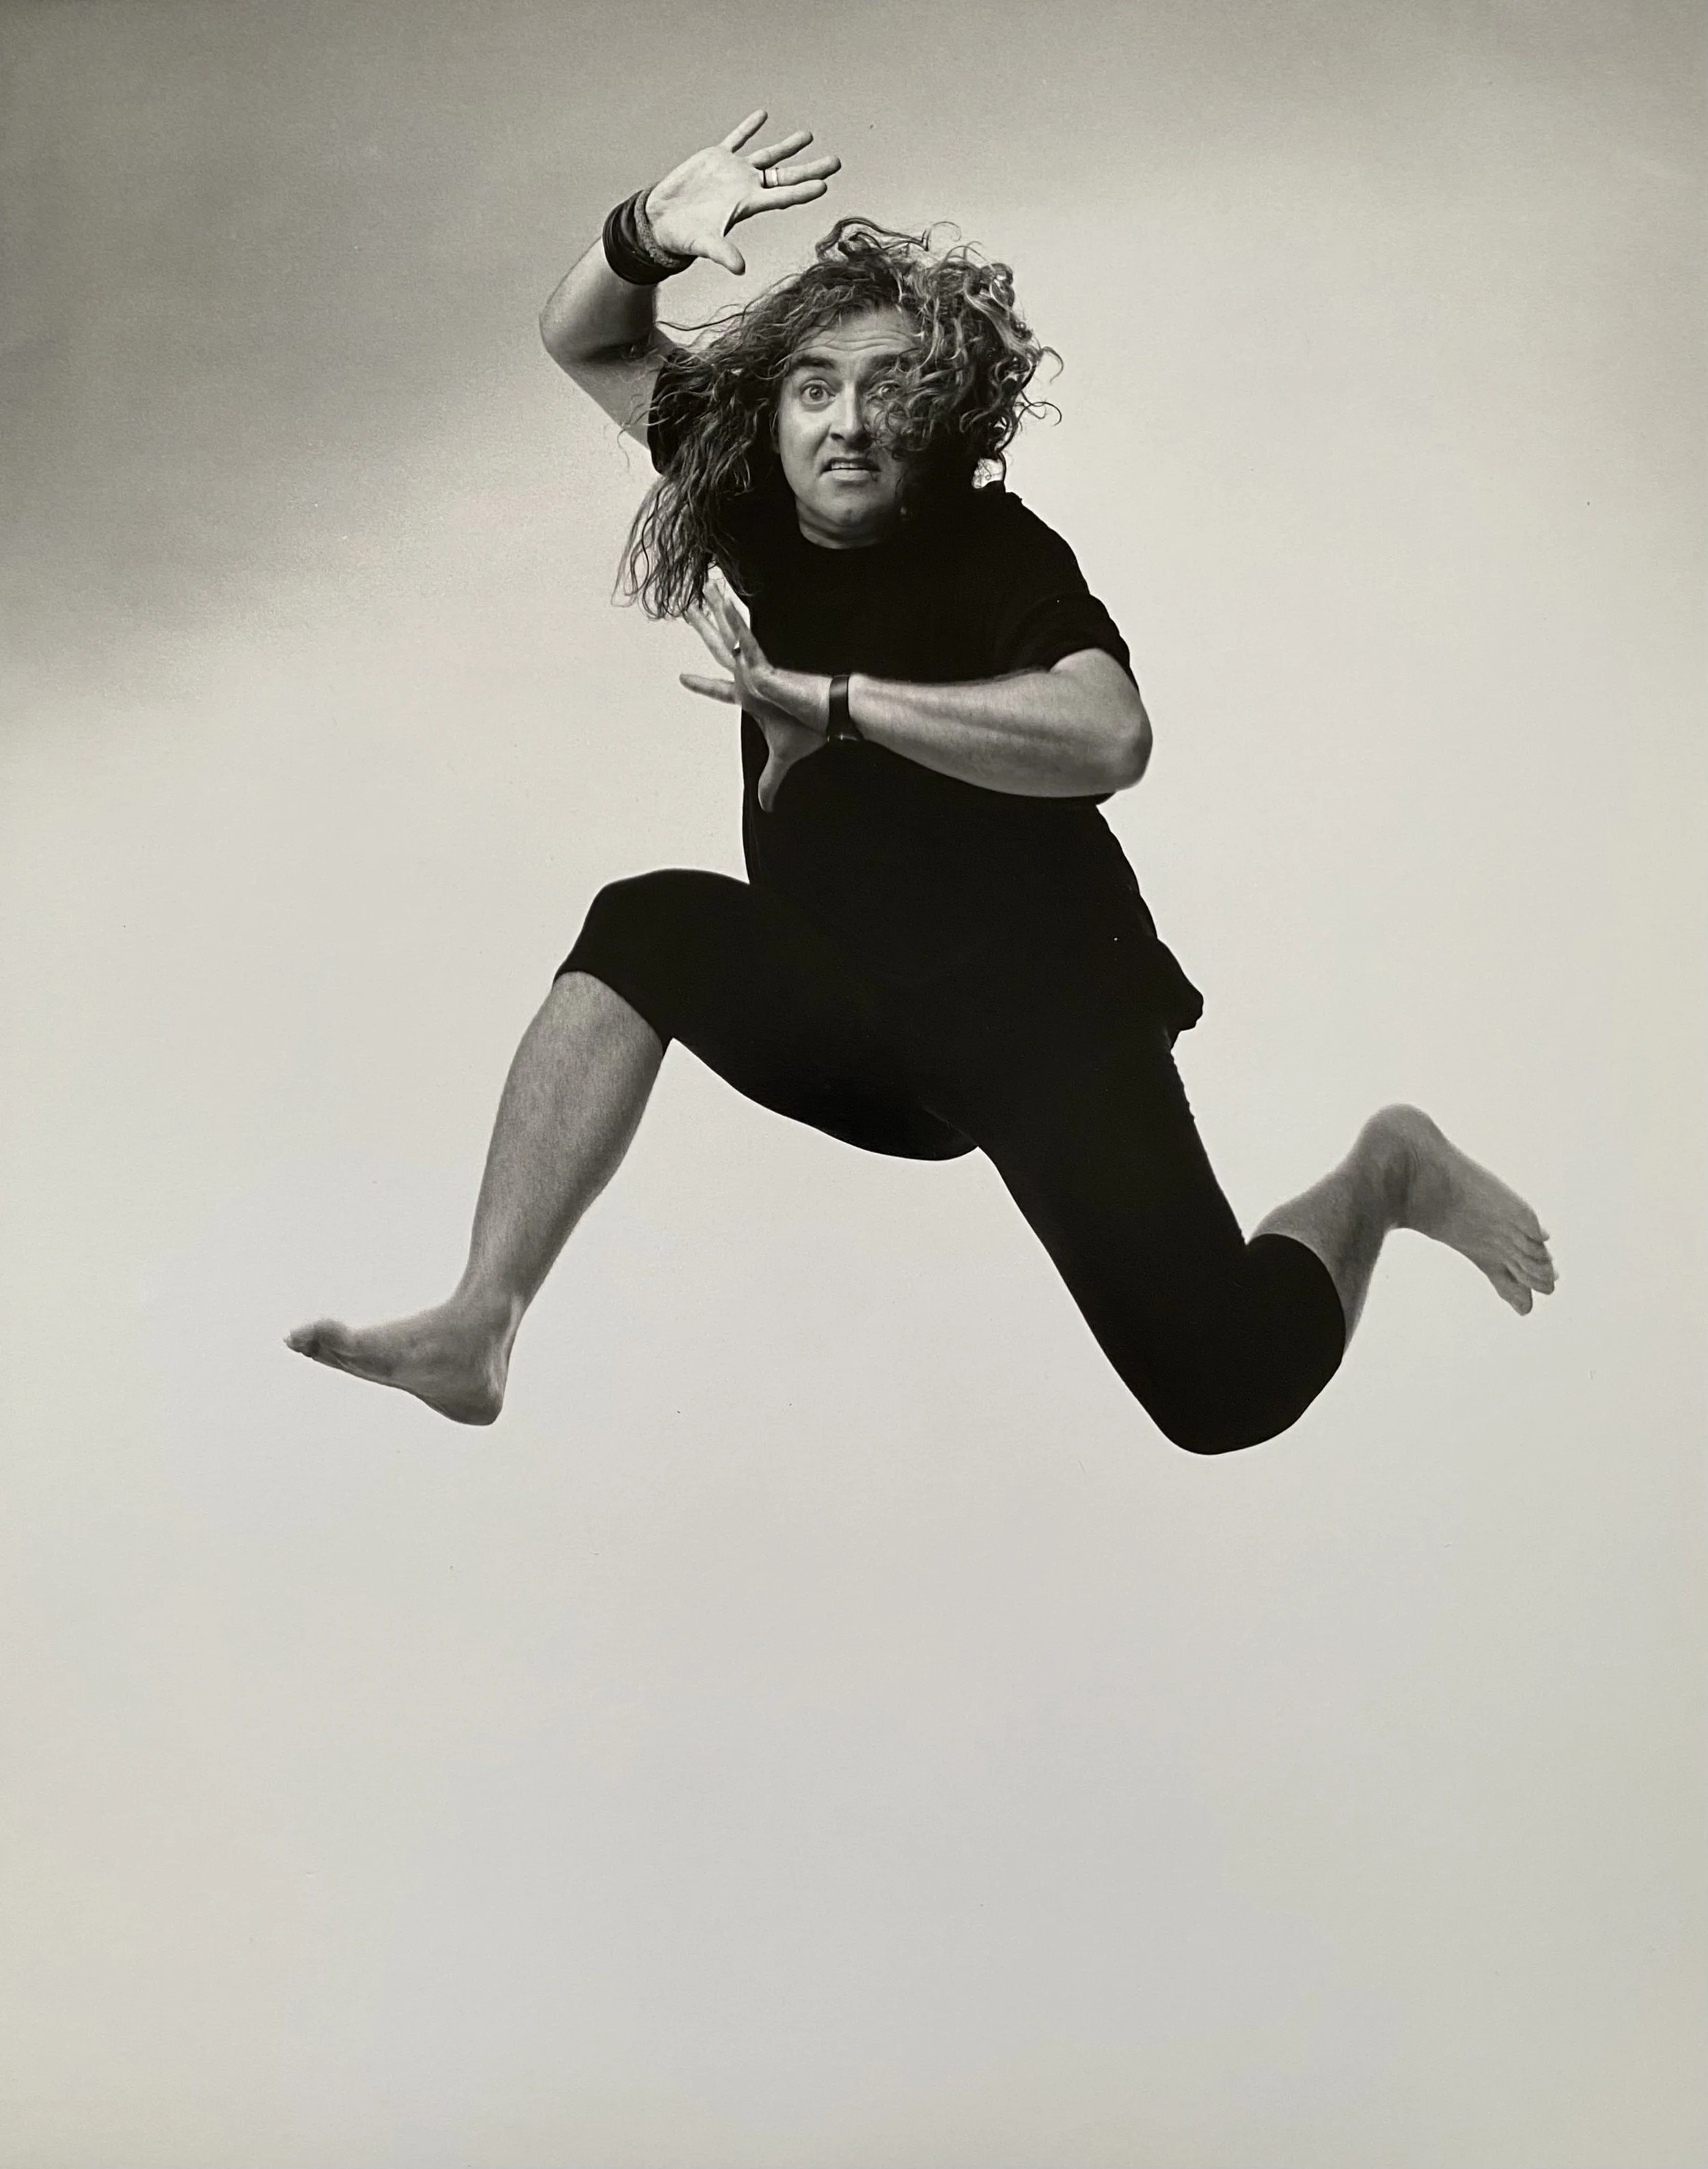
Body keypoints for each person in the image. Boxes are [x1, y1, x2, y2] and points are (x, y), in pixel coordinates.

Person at [287, 111, 1555, 1443]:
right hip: (857, 1010)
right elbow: (588, 338)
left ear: (942, 411)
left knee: (1221, 1397)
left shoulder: (993, 552)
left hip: (1047, 1025)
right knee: (644, 925)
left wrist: (841, 708)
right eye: (816, 387)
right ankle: (481, 1318)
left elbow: (1110, 736)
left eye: (889, 389)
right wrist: (646, 234)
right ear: (774, 409)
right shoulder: (755, 493)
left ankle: (1386, 1170)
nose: (848, 423)